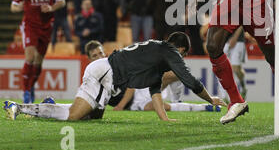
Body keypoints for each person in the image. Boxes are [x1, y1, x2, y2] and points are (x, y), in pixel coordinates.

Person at [4, 32, 226, 122]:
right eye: (183, 54)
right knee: (73, 116)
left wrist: (165, 119)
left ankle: (48, 106)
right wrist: (211, 99)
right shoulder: (169, 51)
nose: (181, 59)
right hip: (107, 74)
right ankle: (20, 107)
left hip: (106, 74)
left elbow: (155, 91)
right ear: (180, 49)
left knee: (93, 117)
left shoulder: (156, 57)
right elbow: (189, 79)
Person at [84, 40, 221, 113]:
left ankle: (177, 99)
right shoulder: (94, 77)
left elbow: (130, 85)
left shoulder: (112, 65)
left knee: (173, 74)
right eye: (95, 55)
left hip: (138, 89)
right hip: (134, 105)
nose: (99, 57)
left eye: (100, 53)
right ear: (89, 59)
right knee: (163, 107)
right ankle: (203, 107)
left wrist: (120, 105)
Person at [10, 0, 66, 103]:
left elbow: (62, 1)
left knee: (38, 62)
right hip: (30, 25)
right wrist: (21, 7)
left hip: (46, 27)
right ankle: (26, 92)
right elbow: (13, 6)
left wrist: (52, 8)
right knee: (30, 57)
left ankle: (31, 86)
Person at [219, 26, 247, 100]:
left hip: (238, 41)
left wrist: (235, 37)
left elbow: (241, 23)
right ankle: (224, 96)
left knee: (236, 68)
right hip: (225, 41)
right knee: (222, 67)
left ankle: (243, 88)